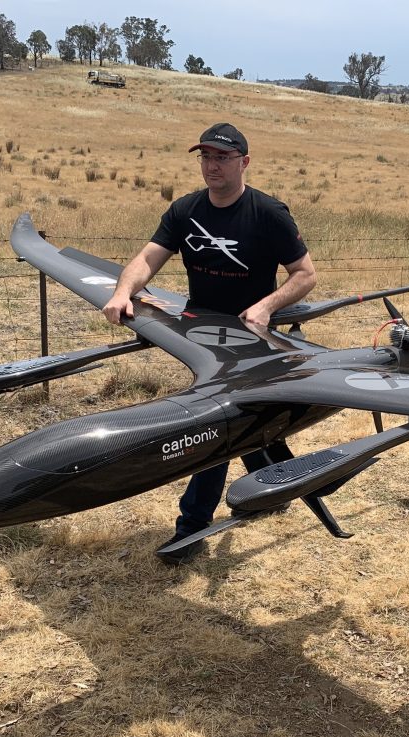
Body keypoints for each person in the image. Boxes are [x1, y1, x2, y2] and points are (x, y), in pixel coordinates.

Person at [102, 123, 317, 563]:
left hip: (253, 337)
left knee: (215, 425)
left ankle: (192, 527)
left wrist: (266, 306)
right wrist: (123, 291)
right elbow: (146, 259)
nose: (211, 165)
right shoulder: (186, 210)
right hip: (202, 337)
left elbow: (305, 274)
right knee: (244, 420)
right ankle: (274, 484)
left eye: (221, 157)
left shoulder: (268, 213)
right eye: (205, 157)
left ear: (244, 163)